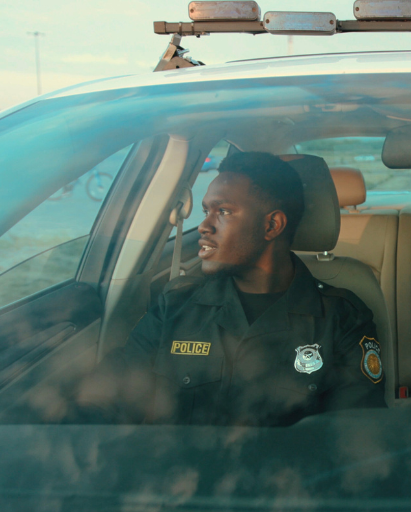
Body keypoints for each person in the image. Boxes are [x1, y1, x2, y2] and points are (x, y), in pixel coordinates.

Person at [86, 152, 385, 425]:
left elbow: (355, 439)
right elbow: (107, 399)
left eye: (224, 212)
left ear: (272, 226)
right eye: (206, 211)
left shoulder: (342, 319)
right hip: (178, 481)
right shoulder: (175, 305)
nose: (204, 226)